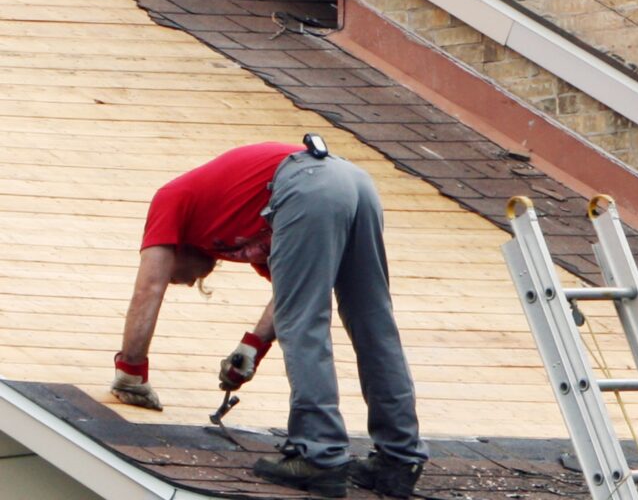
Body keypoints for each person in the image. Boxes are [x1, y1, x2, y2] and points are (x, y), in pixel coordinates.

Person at [112, 137, 428, 499]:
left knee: (305, 324)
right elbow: (287, 294)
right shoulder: (241, 226)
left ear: (176, 247)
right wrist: (253, 347)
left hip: (306, 183)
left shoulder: (171, 198)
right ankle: (398, 460)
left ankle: (319, 453)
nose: (182, 281)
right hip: (352, 182)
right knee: (373, 323)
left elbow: (148, 289)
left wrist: (131, 373)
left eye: (176, 274)